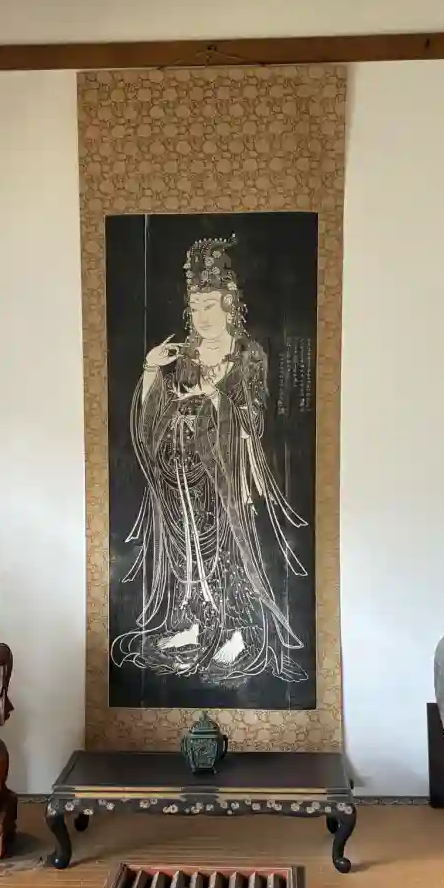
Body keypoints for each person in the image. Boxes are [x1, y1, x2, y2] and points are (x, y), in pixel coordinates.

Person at [112, 234, 308, 686]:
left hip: (222, 472)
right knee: (184, 550)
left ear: (230, 306)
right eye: (195, 307)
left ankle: (236, 629)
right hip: (176, 473)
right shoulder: (182, 354)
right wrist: (151, 368)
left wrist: (213, 396)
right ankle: (194, 623)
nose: (202, 316)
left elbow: (254, 418)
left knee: (226, 550)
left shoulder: (247, 355)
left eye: (210, 306)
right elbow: (155, 410)